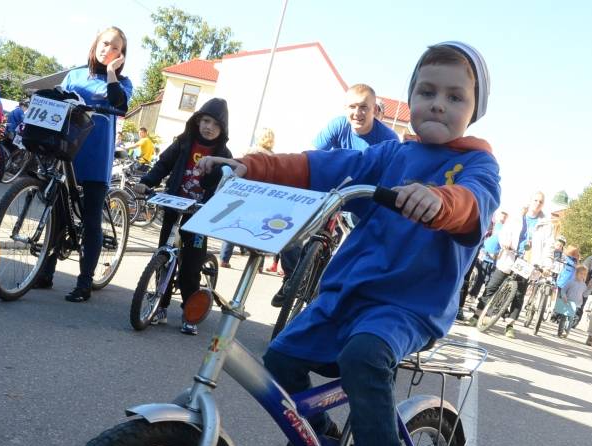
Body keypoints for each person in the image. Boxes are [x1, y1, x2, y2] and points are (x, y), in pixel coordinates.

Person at [200, 41, 499, 446]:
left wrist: (440, 201)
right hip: (347, 294)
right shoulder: (389, 156)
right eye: (426, 92)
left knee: (365, 354)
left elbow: (473, 203)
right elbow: (317, 166)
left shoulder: (479, 165)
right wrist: (251, 165)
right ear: (409, 99)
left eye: (455, 97)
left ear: (474, 109)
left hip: (408, 305)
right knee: (279, 359)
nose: (438, 103)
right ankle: (321, 438)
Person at [271, 84, 400, 307]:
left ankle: (342, 294)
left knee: (363, 242)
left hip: (363, 198)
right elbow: (313, 155)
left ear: (374, 110)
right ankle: (292, 278)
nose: (357, 113)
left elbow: (390, 178)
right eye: (352, 106)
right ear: (344, 107)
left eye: (364, 108)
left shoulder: (388, 139)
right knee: (291, 225)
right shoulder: (338, 126)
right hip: (333, 189)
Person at [35, 26, 131, 301]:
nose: (107, 50)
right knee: (57, 211)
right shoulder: (75, 74)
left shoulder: (122, 82)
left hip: (95, 152)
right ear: (95, 43)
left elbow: (120, 104)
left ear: (121, 55)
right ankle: (45, 272)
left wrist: (112, 73)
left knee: (90, 219)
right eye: (104, 43)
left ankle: (85, 281)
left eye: (115, 47)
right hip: (67, 148)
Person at [132, 98, 232, 334]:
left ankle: (190, 312)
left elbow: (228, 182)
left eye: (215, 124)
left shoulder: (223, 153)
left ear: (222, 129)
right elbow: (163, 164)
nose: (208, 127)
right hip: (174, 207)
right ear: (197, 120)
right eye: (205, 121)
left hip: (199, 216)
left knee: (191, 267)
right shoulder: (183, 142)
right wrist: (147, 182)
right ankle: (160, 306)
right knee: (163, 257)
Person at [468, 191, 546, 338]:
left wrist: (544, 264)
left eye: (540, 202)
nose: (537, 203)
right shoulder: (517, 217)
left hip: (527, 262)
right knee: (492, 286)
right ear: (530, 201)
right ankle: (477, 314)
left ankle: (510, 324)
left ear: (543, 204)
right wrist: (506, 243)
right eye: (535, 200)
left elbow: (548, 245)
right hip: (510, 255)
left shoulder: (545, 224)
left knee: (519, 294)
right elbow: (504, 232)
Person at [220, 126, 276, 268]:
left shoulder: (249, 152)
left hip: (244, 195)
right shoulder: (273, 157)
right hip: (262, 198)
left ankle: (224, 259)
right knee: (260, 229)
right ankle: (258, 264)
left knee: (234, 225)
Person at [555, 264, 589, 338]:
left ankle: (566, 332)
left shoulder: (584, 285)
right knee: (564, 317)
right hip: (568, 302)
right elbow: (563, 290)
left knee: (570, 319)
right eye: (581, 273)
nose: (582, 276)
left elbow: (585, 294)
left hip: (575, 304)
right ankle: (560, 331)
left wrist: (589, 289)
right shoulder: (571, 282)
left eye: (584, 274)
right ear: (576, 273)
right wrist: (564, 296)